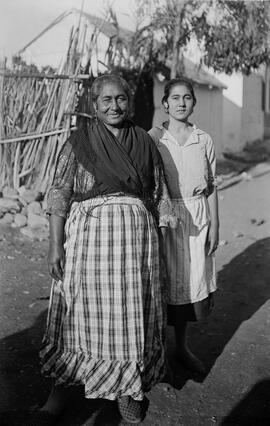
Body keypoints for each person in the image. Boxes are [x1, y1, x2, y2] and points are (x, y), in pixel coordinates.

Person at [28, 75, 172, 425]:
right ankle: (58, 394)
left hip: (135, 244)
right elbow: (60, 194)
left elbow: (158, 197)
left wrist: (161, 250)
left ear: (130, 101)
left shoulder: (143, 142)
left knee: (128, 316)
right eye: (105, 100)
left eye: (120, 99)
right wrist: (54, 246)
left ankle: (128, 392)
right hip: (89, 241)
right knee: (77, 313)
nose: (114, 106)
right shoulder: (79, 142)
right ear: (94, 105)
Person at [148, 78, 219, 374]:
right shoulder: (153, 138)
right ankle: (158, 352)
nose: (180, 102)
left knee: (190, 284)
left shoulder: (203, 139)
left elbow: (212, 186)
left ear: (193, 103)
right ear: (165, 103)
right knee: (163, 284)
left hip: (197, 217)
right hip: (166, 218)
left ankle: (182, 347)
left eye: (187, 97)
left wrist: (215, 226)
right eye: (174, 97)